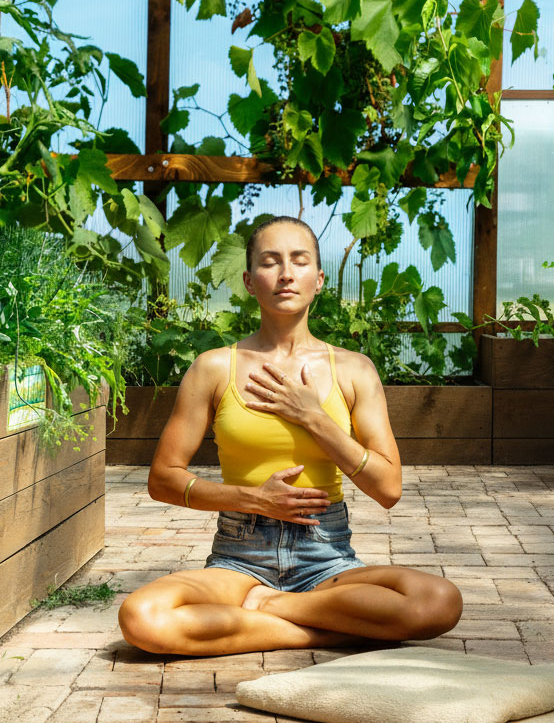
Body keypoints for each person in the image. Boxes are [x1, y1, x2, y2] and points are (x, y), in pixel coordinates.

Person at [118, 215, 463, 656]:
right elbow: (162, 479)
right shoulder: (213, 368)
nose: (285, 273)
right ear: (248, 280)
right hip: (240, 559)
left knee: (438, 602)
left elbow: (389, 488)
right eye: (270, 261)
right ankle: (317, 625)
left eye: (299, 261)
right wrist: (254, 499)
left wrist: (313, 417)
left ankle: (270, 609)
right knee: (142, 618)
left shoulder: (354, 369)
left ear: (318, 279)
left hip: (327, 556)